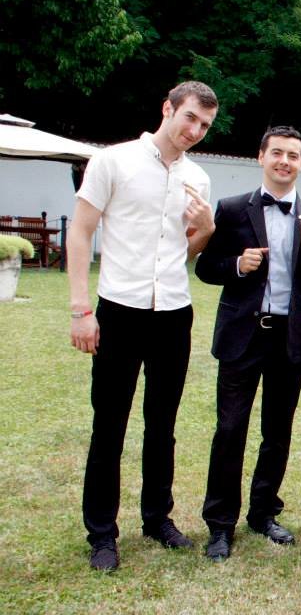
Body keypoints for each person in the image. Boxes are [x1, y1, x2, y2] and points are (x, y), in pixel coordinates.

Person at [67, 80, 219, 571]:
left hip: (173, 312)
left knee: (163, 425)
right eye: (190, 117)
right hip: (119, 309)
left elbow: (186, 249)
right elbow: (81, 231)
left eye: (205, 125)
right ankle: (101, 534)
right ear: (168, 109)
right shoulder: (113, 161)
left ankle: (157, 519)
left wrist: (207, 229)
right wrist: (80, 309)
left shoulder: (198, 179)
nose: (195, 130)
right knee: (109, 425)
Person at [195, 126, 301, 561]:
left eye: (293, 155)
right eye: (277, 153)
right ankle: (220, 524)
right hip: (241, 335)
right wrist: (237, 264)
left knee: (277, 431)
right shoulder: (233, 209)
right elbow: (205, 267)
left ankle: (263, 512)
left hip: (287, 339)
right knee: (230, 429)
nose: (284, 162)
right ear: (261, 157)